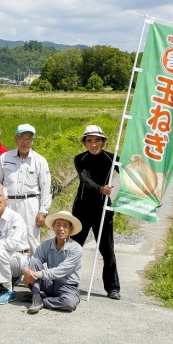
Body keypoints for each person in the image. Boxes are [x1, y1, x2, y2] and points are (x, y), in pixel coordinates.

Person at [71, 125, 121, 300]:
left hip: (104, 209)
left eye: (97, 140)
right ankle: (69, 282)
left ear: (103, 142)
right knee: (74, 247)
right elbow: (85, 180)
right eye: (89, 140)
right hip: (82, 209)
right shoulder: (80, 159)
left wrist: (147, 196)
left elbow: (131, 176)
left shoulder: (112, 158)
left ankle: (113, 287)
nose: (93, 144)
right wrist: (101, 188)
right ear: (85, 143)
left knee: (107, 250)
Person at [0, 123, 51, 253]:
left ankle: (35, 270)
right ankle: (10, 270)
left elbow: (46, 188)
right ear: (15, 139)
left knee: (31, 239)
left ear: (33, 141)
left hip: (30, 204)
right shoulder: (4, 158)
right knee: (7, 236)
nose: (25, 141)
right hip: (8, 203)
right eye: (22, 137)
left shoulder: (40, 161)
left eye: (29, 138)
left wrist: (43, 211)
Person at [22, 211, 83, 314]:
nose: (61, 229)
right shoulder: (46, 245)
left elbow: (60, 271)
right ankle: (36, 296)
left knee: (69, 303)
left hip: (67, 287)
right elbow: (34, 261)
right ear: (53, 227)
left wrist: (36, 274)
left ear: (71, 229)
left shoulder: (76, 249)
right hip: (49, 283)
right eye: (58, 225)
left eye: (65, 226)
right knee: (33, 262)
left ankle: (41, 299)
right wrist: (26, 271)